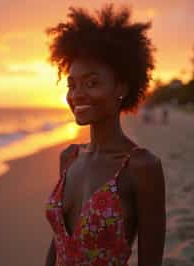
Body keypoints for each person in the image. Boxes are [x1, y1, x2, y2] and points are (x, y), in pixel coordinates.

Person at [45, 3, 166, 266]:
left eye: (92, 83)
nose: (77, 94)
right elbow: (58, 241)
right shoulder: (69, 157)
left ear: (121, 86)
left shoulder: (141, 167)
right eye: (72, 84)